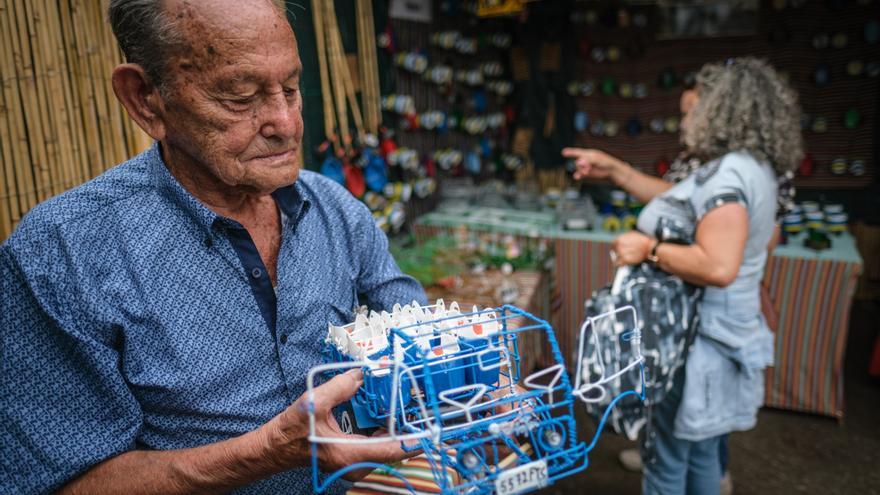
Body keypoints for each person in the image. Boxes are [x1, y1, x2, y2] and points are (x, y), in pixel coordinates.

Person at [0, 1, 425, 494]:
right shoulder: (63, 252)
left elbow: (419, 327)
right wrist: (267, 452)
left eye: (291, 88)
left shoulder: (335, 210)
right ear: (145, 99)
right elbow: (56, 486)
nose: (286, 124)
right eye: (241, 97)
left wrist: (477, 384)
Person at [563, 57, 803, 494]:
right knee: (700, 453)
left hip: (696, 341)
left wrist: (649, 248)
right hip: (719, 334)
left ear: (722, 110)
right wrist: (617, 171)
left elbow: (718, 266)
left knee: (666, 460)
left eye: (693, 111)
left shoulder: (728, 175)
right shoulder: (751, 167)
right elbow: (682, 201)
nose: (686, 120)